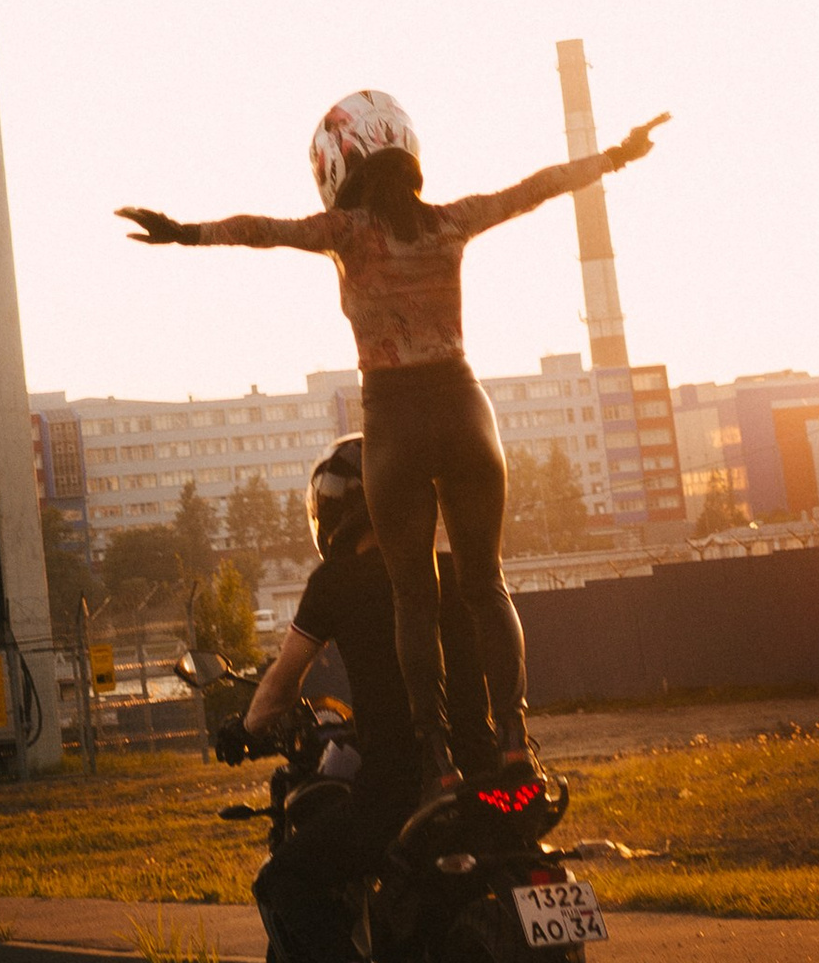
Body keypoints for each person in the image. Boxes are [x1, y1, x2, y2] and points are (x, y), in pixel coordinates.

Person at [120, 85, 666, 822]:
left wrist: (183, 233)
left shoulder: (345, 233)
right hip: (465, 407)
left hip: (395, 418)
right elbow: (535, 189)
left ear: (340, 166)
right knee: (486, 585)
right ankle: (512, 741)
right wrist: (616, 156)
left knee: (415, 596)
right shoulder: (450, 221)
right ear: (409, 153)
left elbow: (261, 230)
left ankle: (435, 759)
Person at [222, 435, 494, 963]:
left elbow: (280, 685)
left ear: (336, 511)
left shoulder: (337, 581)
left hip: (400, 788)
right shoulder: (453, 570)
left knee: (282, 880)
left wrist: (244, 729)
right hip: (487, 774)